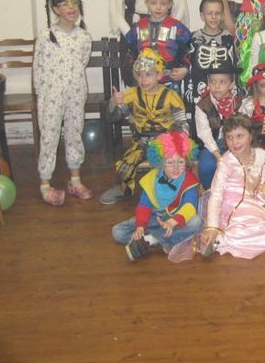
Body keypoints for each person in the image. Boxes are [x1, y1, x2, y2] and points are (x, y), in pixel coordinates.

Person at [99, 48, 190, 204]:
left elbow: (182, 123)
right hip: (141, 142)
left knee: (173, 165)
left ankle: (174, 191)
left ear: (159, 75)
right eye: (139, 75)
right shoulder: (131, 95)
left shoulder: (171, 97)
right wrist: (114, 103)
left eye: (148, 74)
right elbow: (115, 118)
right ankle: (122, 189)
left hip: (165, 142)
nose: (143, 79)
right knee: (125, 166)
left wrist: (177, 145)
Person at [33, 0, 93, 205]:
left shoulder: (84, 37)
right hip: (51, 96)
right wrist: (42, 95)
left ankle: (75, 180)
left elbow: (82, 63)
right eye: (65, 3)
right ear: (56, 9)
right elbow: (38, 68)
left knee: (74, 134)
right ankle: (45, 183)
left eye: (75, 3)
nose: (71, 7)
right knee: (49, 136)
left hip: (75, 94)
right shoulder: (46, 36)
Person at [200, 115, 265, 259]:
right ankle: (219, 239)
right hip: (230, 206)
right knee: (251, 229)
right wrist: (212, 227)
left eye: (240, 136)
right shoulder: (226, 162)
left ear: (251, 136)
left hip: (251, 205)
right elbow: (216, 195)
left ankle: (222, 239)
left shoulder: (261, 155)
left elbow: (261, 187)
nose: (235, 142)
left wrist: (258, 208)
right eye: (229, 137)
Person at [111, 132, 202, 262]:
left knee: (197, 222)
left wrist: (172, 222)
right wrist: (140, 226)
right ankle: (163, 238)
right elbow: (144, 205)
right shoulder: (151, 179)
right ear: (161, 162)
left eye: (181, 162)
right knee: (118, 232)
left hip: (177, 220)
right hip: (154, 219)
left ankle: (151, 240)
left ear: (186, 161)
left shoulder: (189, 180)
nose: (176, 167)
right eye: (170, 162)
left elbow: (190, 207)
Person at [124, 0, 191, 91]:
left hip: (170, 83)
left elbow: (189, 50)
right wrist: (133, 69)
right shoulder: (138, 27)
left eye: (163, 3)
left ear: (170, 4)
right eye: (153, 3)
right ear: (146, 3)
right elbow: (129, 52)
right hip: (144, 83)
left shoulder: (178, 28)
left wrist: (185, 69)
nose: (158, 7)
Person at [193, 59, 241, 190]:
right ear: (208, 83)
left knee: (239, 164)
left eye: (222, 82)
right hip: (212, 146)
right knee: (207, 166)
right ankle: (210, 191)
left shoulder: (239, 102)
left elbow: (244, 129)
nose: (217, 86)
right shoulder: (202, 105)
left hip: (236, 143)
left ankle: (235, 191)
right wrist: (218, 156)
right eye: (213, 82)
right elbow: (204, 134)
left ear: (231, 84)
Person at [188, 0, 236, 102]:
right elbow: (189, 65)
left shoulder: (228, 38)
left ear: (222, 16)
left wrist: (234, 89)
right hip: (199, 91)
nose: (214, 17)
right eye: (209, 13)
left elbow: (233, 64)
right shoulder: (194, 38)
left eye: (217, 13)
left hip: (224, 92)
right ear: (202, 16)